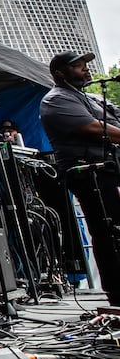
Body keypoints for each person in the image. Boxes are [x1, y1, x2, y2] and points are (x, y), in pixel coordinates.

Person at [39, 51, 120, 306]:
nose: (86, 70)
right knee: (109, 232)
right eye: (78, 66)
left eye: (86, 65)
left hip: (110, 168)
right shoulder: (55, 100)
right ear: (60, 73)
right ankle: (117, 293)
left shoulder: (92, 98)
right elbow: (92, 128)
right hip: (89, 173)